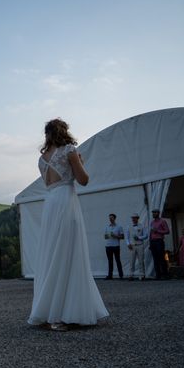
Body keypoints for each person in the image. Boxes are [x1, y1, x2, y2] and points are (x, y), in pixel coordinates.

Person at [28, 118, 109, 331]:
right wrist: (80, 161)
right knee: (69, 254)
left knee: (52, 254)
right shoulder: (69, 150)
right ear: (64, 131)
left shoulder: (42, 159)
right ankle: (63, 314)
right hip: (66, 202)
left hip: (51, 203)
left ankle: (47, 312)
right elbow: (83, 180)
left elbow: (49, 183)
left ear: (47, 134)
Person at [125, 213, 148, 280]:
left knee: (141, 260)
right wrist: (128, 244)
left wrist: (139, 237)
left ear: (138, 218)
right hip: (132, 246)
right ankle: (131, 275)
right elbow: (127, 237)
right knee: (132, 261)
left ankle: (142, 275)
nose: (133, 219)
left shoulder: (142, 226)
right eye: (132, 218)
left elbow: (146, 235)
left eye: (135, 218)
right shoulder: (129, 226)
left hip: (140, 245)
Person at [149, 209, 170, 280]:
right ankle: (158, 275)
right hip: (153, 241)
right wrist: (150, 242)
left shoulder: (162, 221)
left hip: (159, 241)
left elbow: (167, 231)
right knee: (155, 259)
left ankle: (165, 275)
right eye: (153, 213)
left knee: (161, 258)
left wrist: (157, 231)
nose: (153, 214)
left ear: (158, 213)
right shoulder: (152, 222)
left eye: (155, 212)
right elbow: (151, 233)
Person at [104, 213, 124, 279]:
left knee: (117, 260)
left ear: (114, 218)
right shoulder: (107, 226)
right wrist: (106, 236)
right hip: (108, 246)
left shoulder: (119, 226)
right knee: (110, 261)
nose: (110, 219)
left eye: (111, 217)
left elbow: (122, 236)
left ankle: (121, 275)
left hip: (116, 246)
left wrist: (115, 236)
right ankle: (110, 275)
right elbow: (105, 236)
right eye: (109, 217)